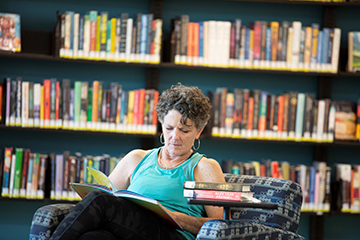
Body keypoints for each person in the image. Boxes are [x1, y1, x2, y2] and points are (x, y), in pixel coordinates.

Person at [50, 83, 225, 240]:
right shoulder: (137, 158)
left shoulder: (204, 167)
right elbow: (108, 195)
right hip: (133, 232)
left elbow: (220, 226)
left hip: (173, 234)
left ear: (198, 132)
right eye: (169, 128)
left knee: (99, 200)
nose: (174, 137)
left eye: (184, 131)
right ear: (161, 124)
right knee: (92, 237)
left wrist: (175, 217)